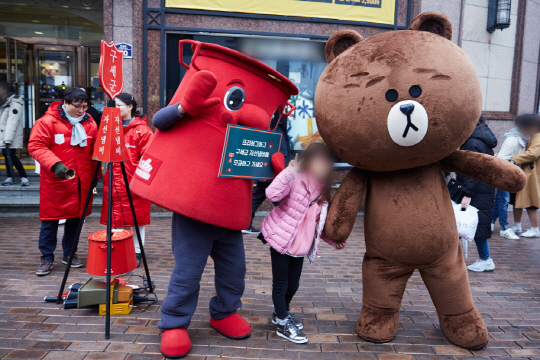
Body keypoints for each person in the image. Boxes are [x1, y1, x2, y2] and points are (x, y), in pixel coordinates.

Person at [260, 143, 344, 343]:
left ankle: (281, 313)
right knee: (280, 284)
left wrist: (333, 241)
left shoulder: (323, 191)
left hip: (300, 247)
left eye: (327, 162)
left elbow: (319, 225)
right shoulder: (296, 178)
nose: (323, 165)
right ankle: (282, 322)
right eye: (319, 160)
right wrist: (289, 172)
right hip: (282, 240)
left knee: (293, 285)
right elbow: (272, 194)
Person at [28, 87, 98, 276]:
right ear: (65, 103)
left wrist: (96, 177)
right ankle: (46, 257)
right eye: (77, 107)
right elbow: (36, 146)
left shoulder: (90, 123)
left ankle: (70, 253)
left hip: (81, 181)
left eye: (85, 106)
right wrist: (56, 165)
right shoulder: (47, 122)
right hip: (56, 180)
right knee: (50, 220)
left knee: (76, 220)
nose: (82, 111)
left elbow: (95, 151)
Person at [100, 93, 153, 267]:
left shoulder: (142, 130)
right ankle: (117, 249)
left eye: (119, 106)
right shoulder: (109, 128)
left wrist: (141, 181)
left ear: (130, 107)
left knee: (138, 218)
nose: (115, 110)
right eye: (112, 106)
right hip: (113, 180)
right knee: (115, 216)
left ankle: (137, 252)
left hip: (134, 181)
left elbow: (148, 159)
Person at [458, 116, 498, 272]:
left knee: (473, 225)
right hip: (483, 189)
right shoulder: (482, 139)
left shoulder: (473, 142)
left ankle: (485, 259)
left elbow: (473, 171)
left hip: (476, 190)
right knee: (476, 224)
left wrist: (467, 194)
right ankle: (484, 258)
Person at [243, 116, 292, 234]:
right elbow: (275, 149)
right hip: (272, 169)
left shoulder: (277, 123)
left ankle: (246, 223)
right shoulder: (275, 124)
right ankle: (286, 226)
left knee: (260, 196)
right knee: (279, 198)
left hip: (270, 169)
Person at [491, 115, 536, 239]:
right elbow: (502, 160)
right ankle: (504, 229)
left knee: (500, 201)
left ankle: (490, 223)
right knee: (503, 201)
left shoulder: (524, 139)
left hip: (510, 176)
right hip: (505, 176)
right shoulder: (513, 140)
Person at [511, 114, 540, 238]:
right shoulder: (533, 136)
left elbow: (532, 154)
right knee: (517, 200)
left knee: (531, 202)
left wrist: (513, 159)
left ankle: (535, 229)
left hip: (532, 174)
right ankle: (517, 225)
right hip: (527, 173)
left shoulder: (538, 137)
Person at [0, 81, 29, 186]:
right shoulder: (4, 102)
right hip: (4, 135)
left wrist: (7, 140)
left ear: (5, 90)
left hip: (8, 136)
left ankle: (23, 176)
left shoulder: (14, 104)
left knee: (11, 155)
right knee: (8, 155)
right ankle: (12, 177)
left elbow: (12, 123)